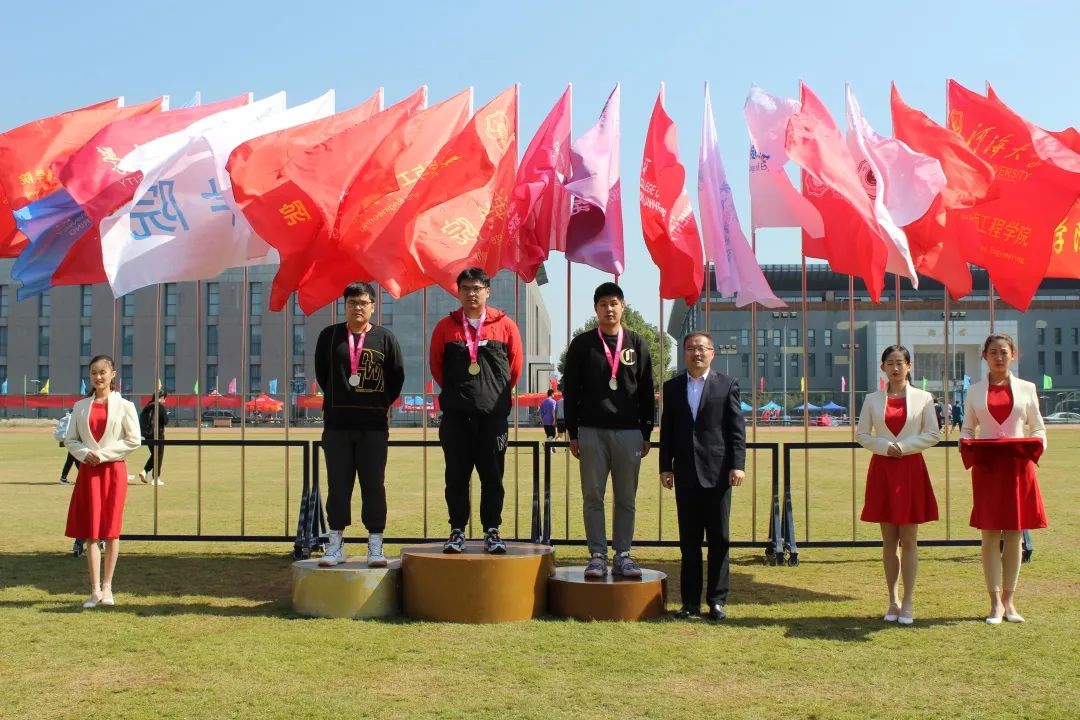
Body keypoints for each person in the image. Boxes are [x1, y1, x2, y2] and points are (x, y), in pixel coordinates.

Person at [563, 282, 654, 578]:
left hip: (629, 432)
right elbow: (570, 390)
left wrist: (646, 433)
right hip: (591, 431)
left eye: (614, 303)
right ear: (596, 309)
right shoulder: (582, 344)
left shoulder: (637, 343)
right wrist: (573, 432)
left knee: (626, 497)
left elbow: (647, 390)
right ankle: (597, 555)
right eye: (603, 304)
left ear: (623, 307)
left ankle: (623, 554)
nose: (609, 309)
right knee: (593, 496)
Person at [430, 267, 522, 554]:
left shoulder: (505, 325)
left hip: (493, 419)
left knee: (492, 478)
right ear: (458, 292)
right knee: (456, 477)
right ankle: (457, 530)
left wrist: (491, 394)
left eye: (477, 288)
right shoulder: (445, 327)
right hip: (456, 419)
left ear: (487, 291)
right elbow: (437, 368)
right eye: (466, 288)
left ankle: (492, 531)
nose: (472, 293)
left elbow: (514, 369)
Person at [315, 282, 405, 568]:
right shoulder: (330, 336)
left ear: (373, 306)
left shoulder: (385, 338)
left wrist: (379, 403)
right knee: (338, 486)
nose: (358, 307)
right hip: (337, 426)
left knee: (373, 486)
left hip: (373, 427)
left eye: (363, 302)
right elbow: (322, 374)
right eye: (352, 302)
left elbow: (397, 377)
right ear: (344, 306)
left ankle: (375, 544)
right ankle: (335, 544)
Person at [961, 333, 1047, 625]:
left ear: (1013, 355)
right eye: (993, 352)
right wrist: (965, 443)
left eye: (1004, 352)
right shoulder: (974, 391)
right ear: (984, 356)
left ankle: (1010, 601)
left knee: (1014, 534)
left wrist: (1036, 446)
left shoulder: (1027, 388)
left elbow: (1038, 428)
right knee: (989, 535)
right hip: (987, 470)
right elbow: (967, 428)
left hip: (1018, 469)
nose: (999, 357)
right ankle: (994, 602)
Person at [659, 332, 745, 621]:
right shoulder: (672, 387)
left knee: (719, 540)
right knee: (689, 542)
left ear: (712, 353)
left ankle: (717, 601)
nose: (696, 353)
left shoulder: (727, 384)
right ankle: (690, 603)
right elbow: (667, 430)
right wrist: (665, 466)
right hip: (685, 474)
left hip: (718, 473)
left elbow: (736, 430)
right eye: (691, 348)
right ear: (684, 353)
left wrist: (738, 465)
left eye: (702, 348)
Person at [855, 345, 941, 625]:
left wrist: (903, 447)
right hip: (883, 469)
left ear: (909, 366)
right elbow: (862, 434)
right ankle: (892, 600)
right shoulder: (872, 399)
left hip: (911, 469)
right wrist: (884, 446)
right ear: (882, 367)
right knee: (889, 540)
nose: (895, 368)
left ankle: (908, 602)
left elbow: (933, 434)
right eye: (890, 363)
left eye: (900, 362)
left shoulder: (924, 398)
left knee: (910, 539)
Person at [64, 355, 141, 608]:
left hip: (113, 472)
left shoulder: (125, 406)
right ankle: (95, 590)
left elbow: (134, 439)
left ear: (113, 374)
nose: (98, 377)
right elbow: (70, 439)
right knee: (91, 532)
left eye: (102, 372)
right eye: (93, 373)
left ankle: (108, 587)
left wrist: (103, 455)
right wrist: (86, 454)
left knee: (111, 530)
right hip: (88, 472)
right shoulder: (80, 407)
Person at [138, 391, 169, 485]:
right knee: (158, 456)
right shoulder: (160, 407)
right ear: (161, 397)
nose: (165, 400)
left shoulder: (147, 406)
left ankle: (145, 471)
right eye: (164, 398)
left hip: (147, 435)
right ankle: (155, 478)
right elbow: (166, 421)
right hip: (158, 435)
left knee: (154, 455)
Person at [56, 409, 80, 485]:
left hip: (70, 441)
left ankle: (64, 478)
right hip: (73, 441)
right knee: (71, 459)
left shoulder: (70, 417)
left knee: (75, 460)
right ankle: (63, 478)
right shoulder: (74, 418)